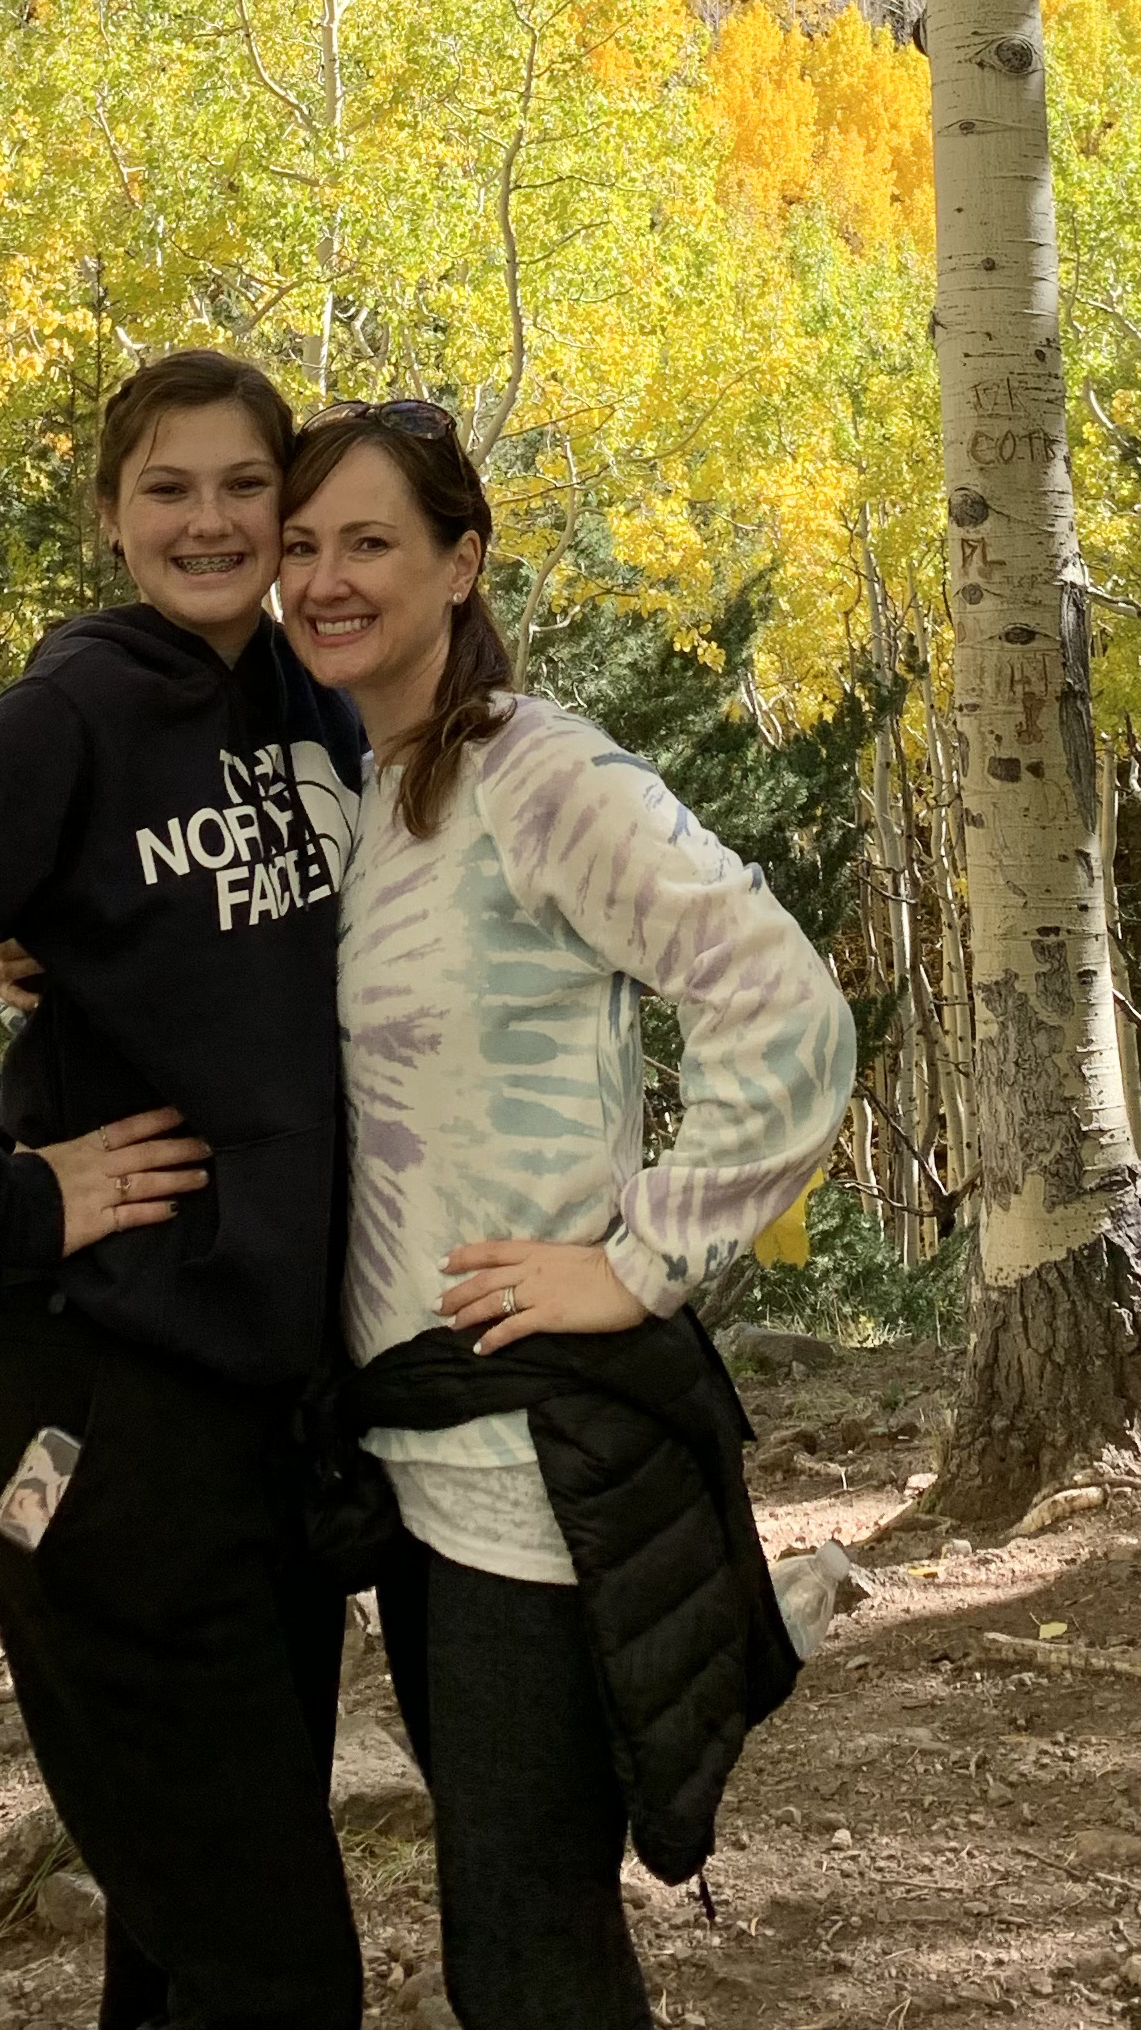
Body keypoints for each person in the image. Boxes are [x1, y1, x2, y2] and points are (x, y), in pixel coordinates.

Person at [0, 350, 364, 2030]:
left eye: (246, 487)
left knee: (189, 1945)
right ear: (110, 519)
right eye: (167, 489)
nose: (210, 522)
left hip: (267, 1415)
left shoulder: (309, 705)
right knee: (279, 1967)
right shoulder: (75, 714)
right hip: (107, 1412)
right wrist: (10, 1201)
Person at [282, 401, 856, 2030]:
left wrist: (642, 1261)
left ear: (462, 562)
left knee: (527, 1957)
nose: (326, 579)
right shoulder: (379, 794)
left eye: (370, 542)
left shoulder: (541, 776)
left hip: (534, 1473)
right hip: (416, 1464)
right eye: (304, 547)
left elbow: (788, 1012)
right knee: (518, 1938)